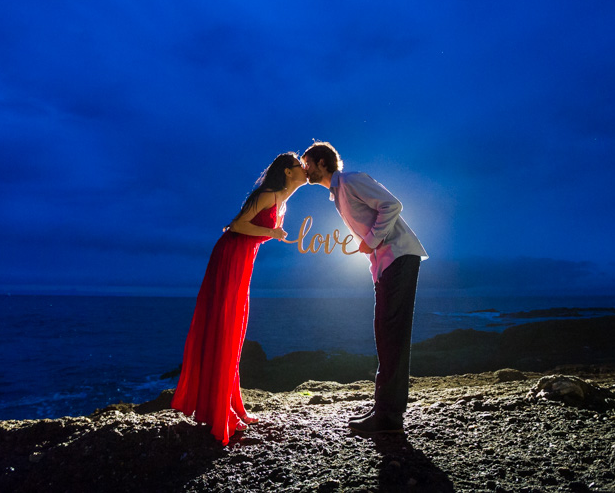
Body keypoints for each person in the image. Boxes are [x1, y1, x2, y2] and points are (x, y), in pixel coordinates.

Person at [171, 152, 306, 445]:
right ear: (287, 171)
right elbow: (237, 225)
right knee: (227, 325)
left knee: (234, 327)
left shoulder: (282, 200)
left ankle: (229, 404)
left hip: (243, 260)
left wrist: (273, 233)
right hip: (231, 257)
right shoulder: (268, 195)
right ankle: (220, 410)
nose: (304, 169)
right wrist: (272, 232)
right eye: (300, 166)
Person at [302, 141, 427, 435]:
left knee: (391, 334)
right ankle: (385, 409)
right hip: (387, 265)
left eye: (307, 163)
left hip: (398, 259)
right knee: (385, 333)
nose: (304, 168)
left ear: (322, 163)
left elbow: (392, 205)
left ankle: (389, 416)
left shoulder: (351, 180)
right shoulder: (338, 193)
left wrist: (370, 240)